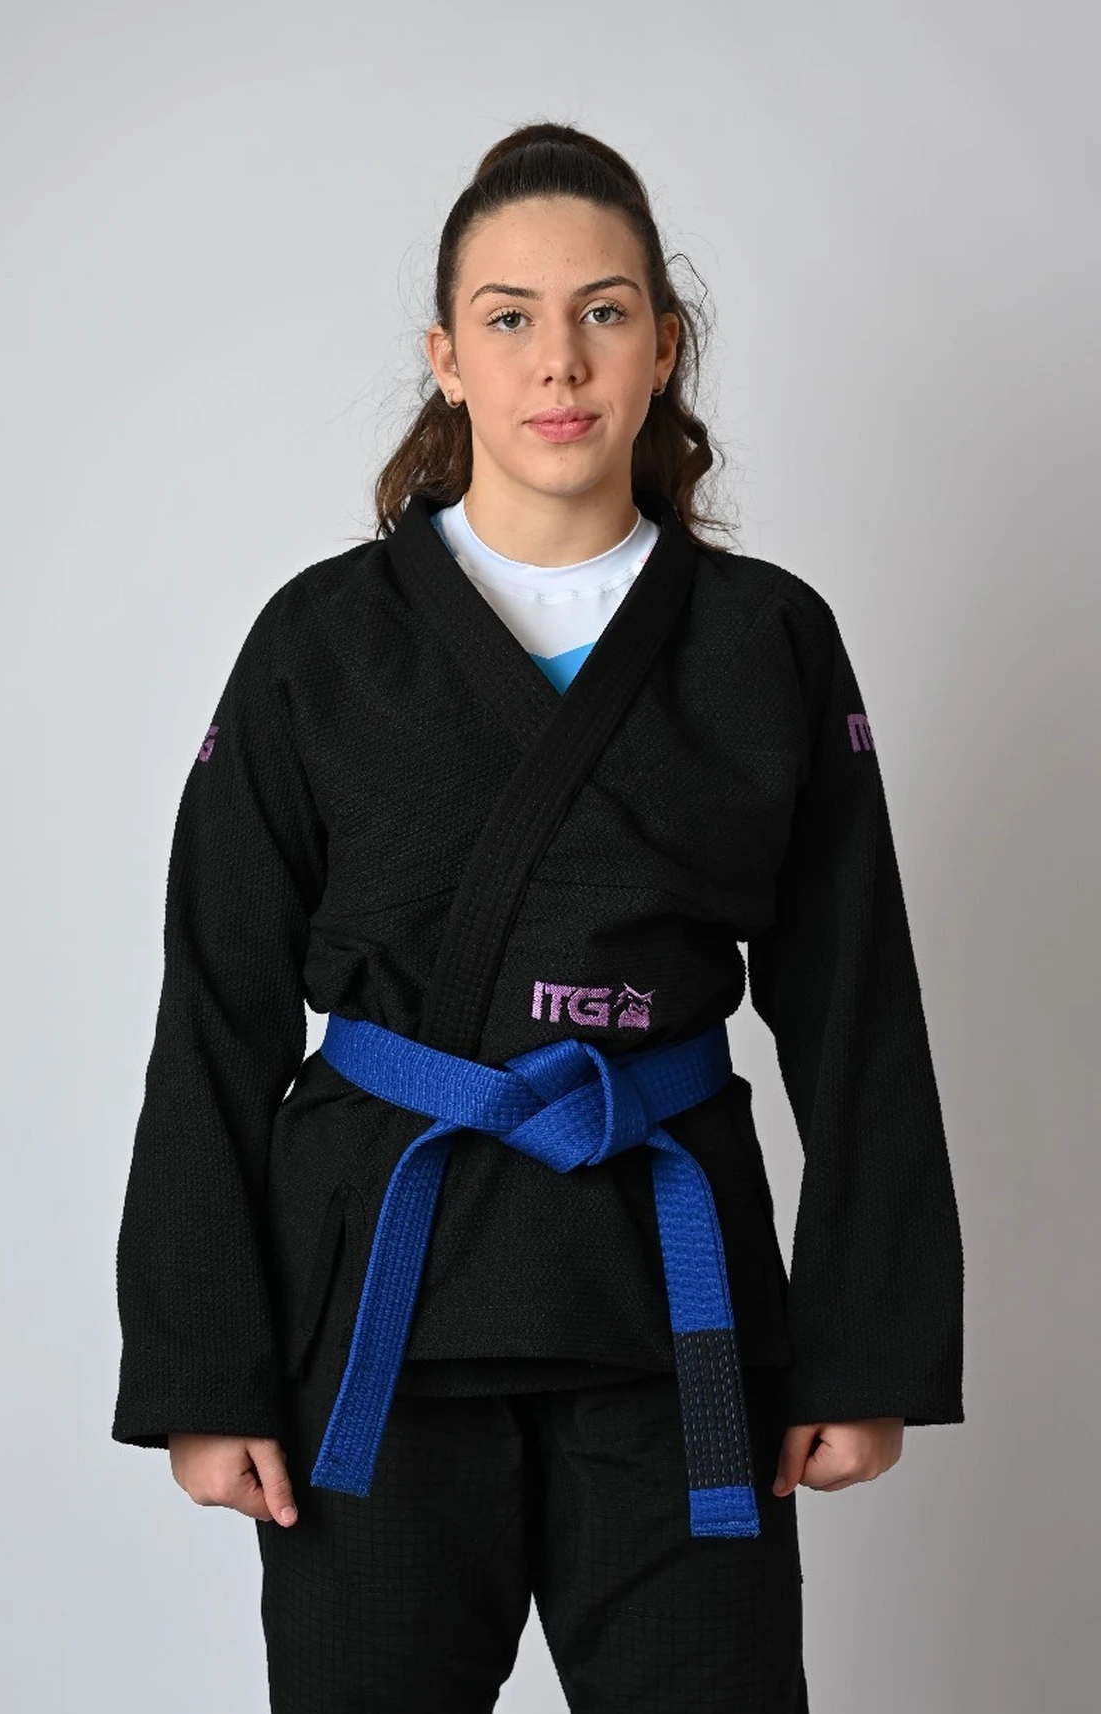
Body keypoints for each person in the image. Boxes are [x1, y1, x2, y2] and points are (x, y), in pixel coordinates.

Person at [111, 121, 965, 1713]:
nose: (557, 360)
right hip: (379, 1320)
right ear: (447, 357)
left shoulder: (767, 641)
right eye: (508, 317)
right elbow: (217, 1004)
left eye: (604, 311)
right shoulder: (320, 643)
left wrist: (868, 1350)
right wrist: (200, 1364)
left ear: (664, 346)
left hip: (673, 1315)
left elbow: (859, 1008)